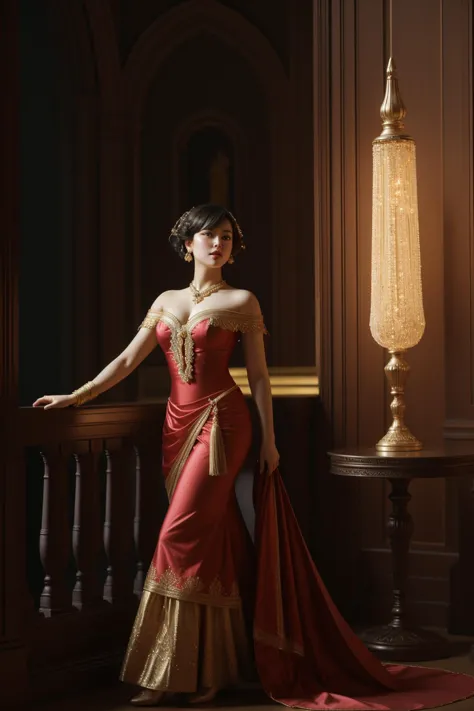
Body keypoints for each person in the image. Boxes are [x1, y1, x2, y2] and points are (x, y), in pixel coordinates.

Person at [34, 205, 474, 710]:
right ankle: (211, 670)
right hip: (176, 429)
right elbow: (129, 360)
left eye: (225, 237)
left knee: (180, 534)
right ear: (188, 244)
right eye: (208, 236)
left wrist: (268, 440)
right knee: (213, 543)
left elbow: (260, 378)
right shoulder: (166, 300)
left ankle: (165, 672)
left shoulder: (242, 300)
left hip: (223, 425)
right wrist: (77, 396)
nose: (218, 244)